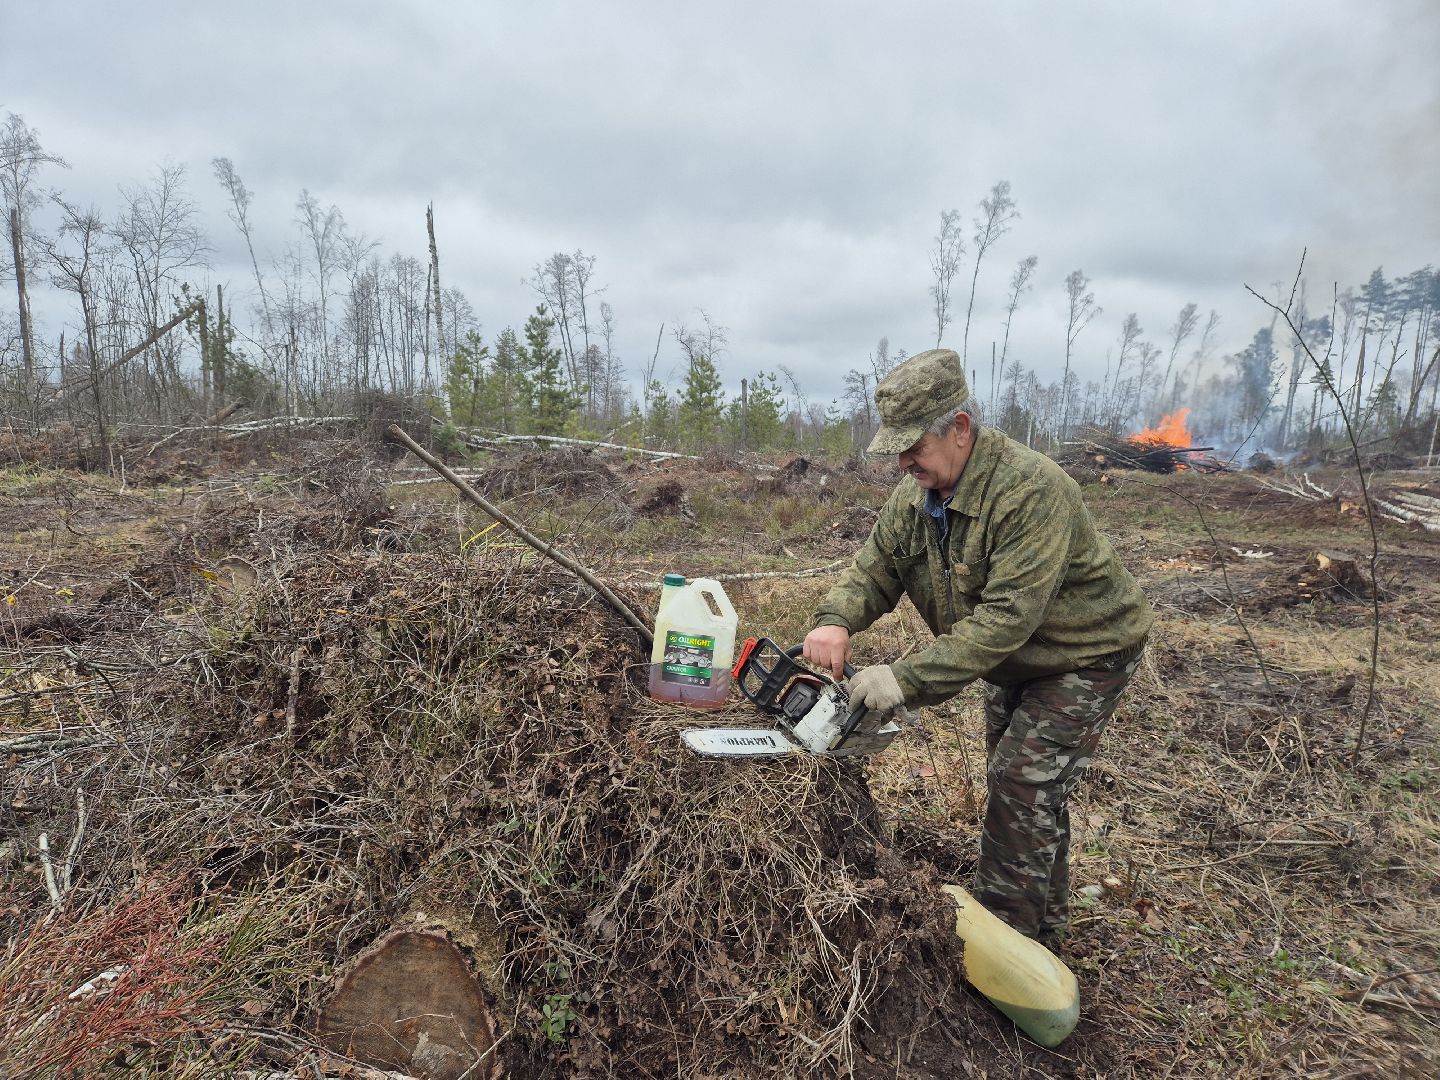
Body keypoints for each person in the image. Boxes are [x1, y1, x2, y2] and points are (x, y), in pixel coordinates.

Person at [803, 348, 1153, 945]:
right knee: (1024, 791)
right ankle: (1045, 930)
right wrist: (836, 620)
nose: (904, 461)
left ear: (960, 429)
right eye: (897, 448)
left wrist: (904, 679)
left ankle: (1003, 943)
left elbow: (1006, 619)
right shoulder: (917, 499)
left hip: (1084, 654)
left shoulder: (1029, 490)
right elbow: (875, 569)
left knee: (1022, 782)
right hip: (1014, 663)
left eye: (915, 445)